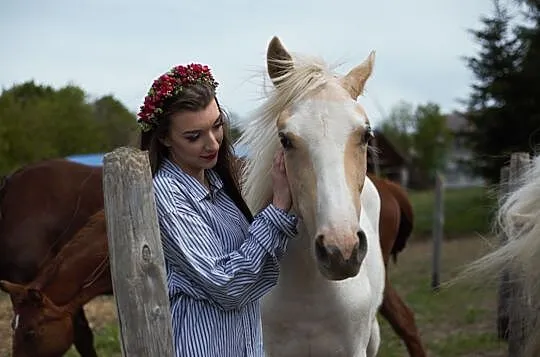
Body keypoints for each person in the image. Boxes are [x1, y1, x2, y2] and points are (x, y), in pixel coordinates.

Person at [138, 63, 298, 357]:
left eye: (216, 126)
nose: (212, 143)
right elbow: (228, 285)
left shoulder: (220, 188)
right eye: (193, 136)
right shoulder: (166, 195)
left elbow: (258, 266)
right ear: (163, 138)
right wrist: (276, 209)